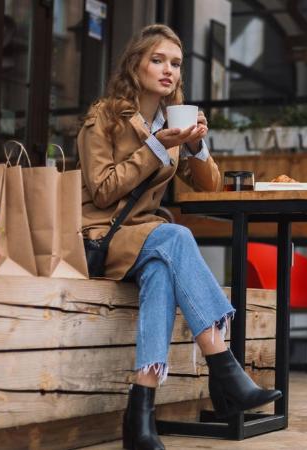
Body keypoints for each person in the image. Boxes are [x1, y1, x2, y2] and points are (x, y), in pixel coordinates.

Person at [77, 25, 281, 450]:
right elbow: (102, 190)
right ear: (135, 65)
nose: (168, 70)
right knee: (175, 237)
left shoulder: (172, 121)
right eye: (157, 60)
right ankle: (224, 368)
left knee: (161, 271)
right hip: (101, 236)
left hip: (146, 241)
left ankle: (140, 417)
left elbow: (209, 185)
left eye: (175, 63)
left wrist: (196, 146)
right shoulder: (105, 117)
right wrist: (155, 147)